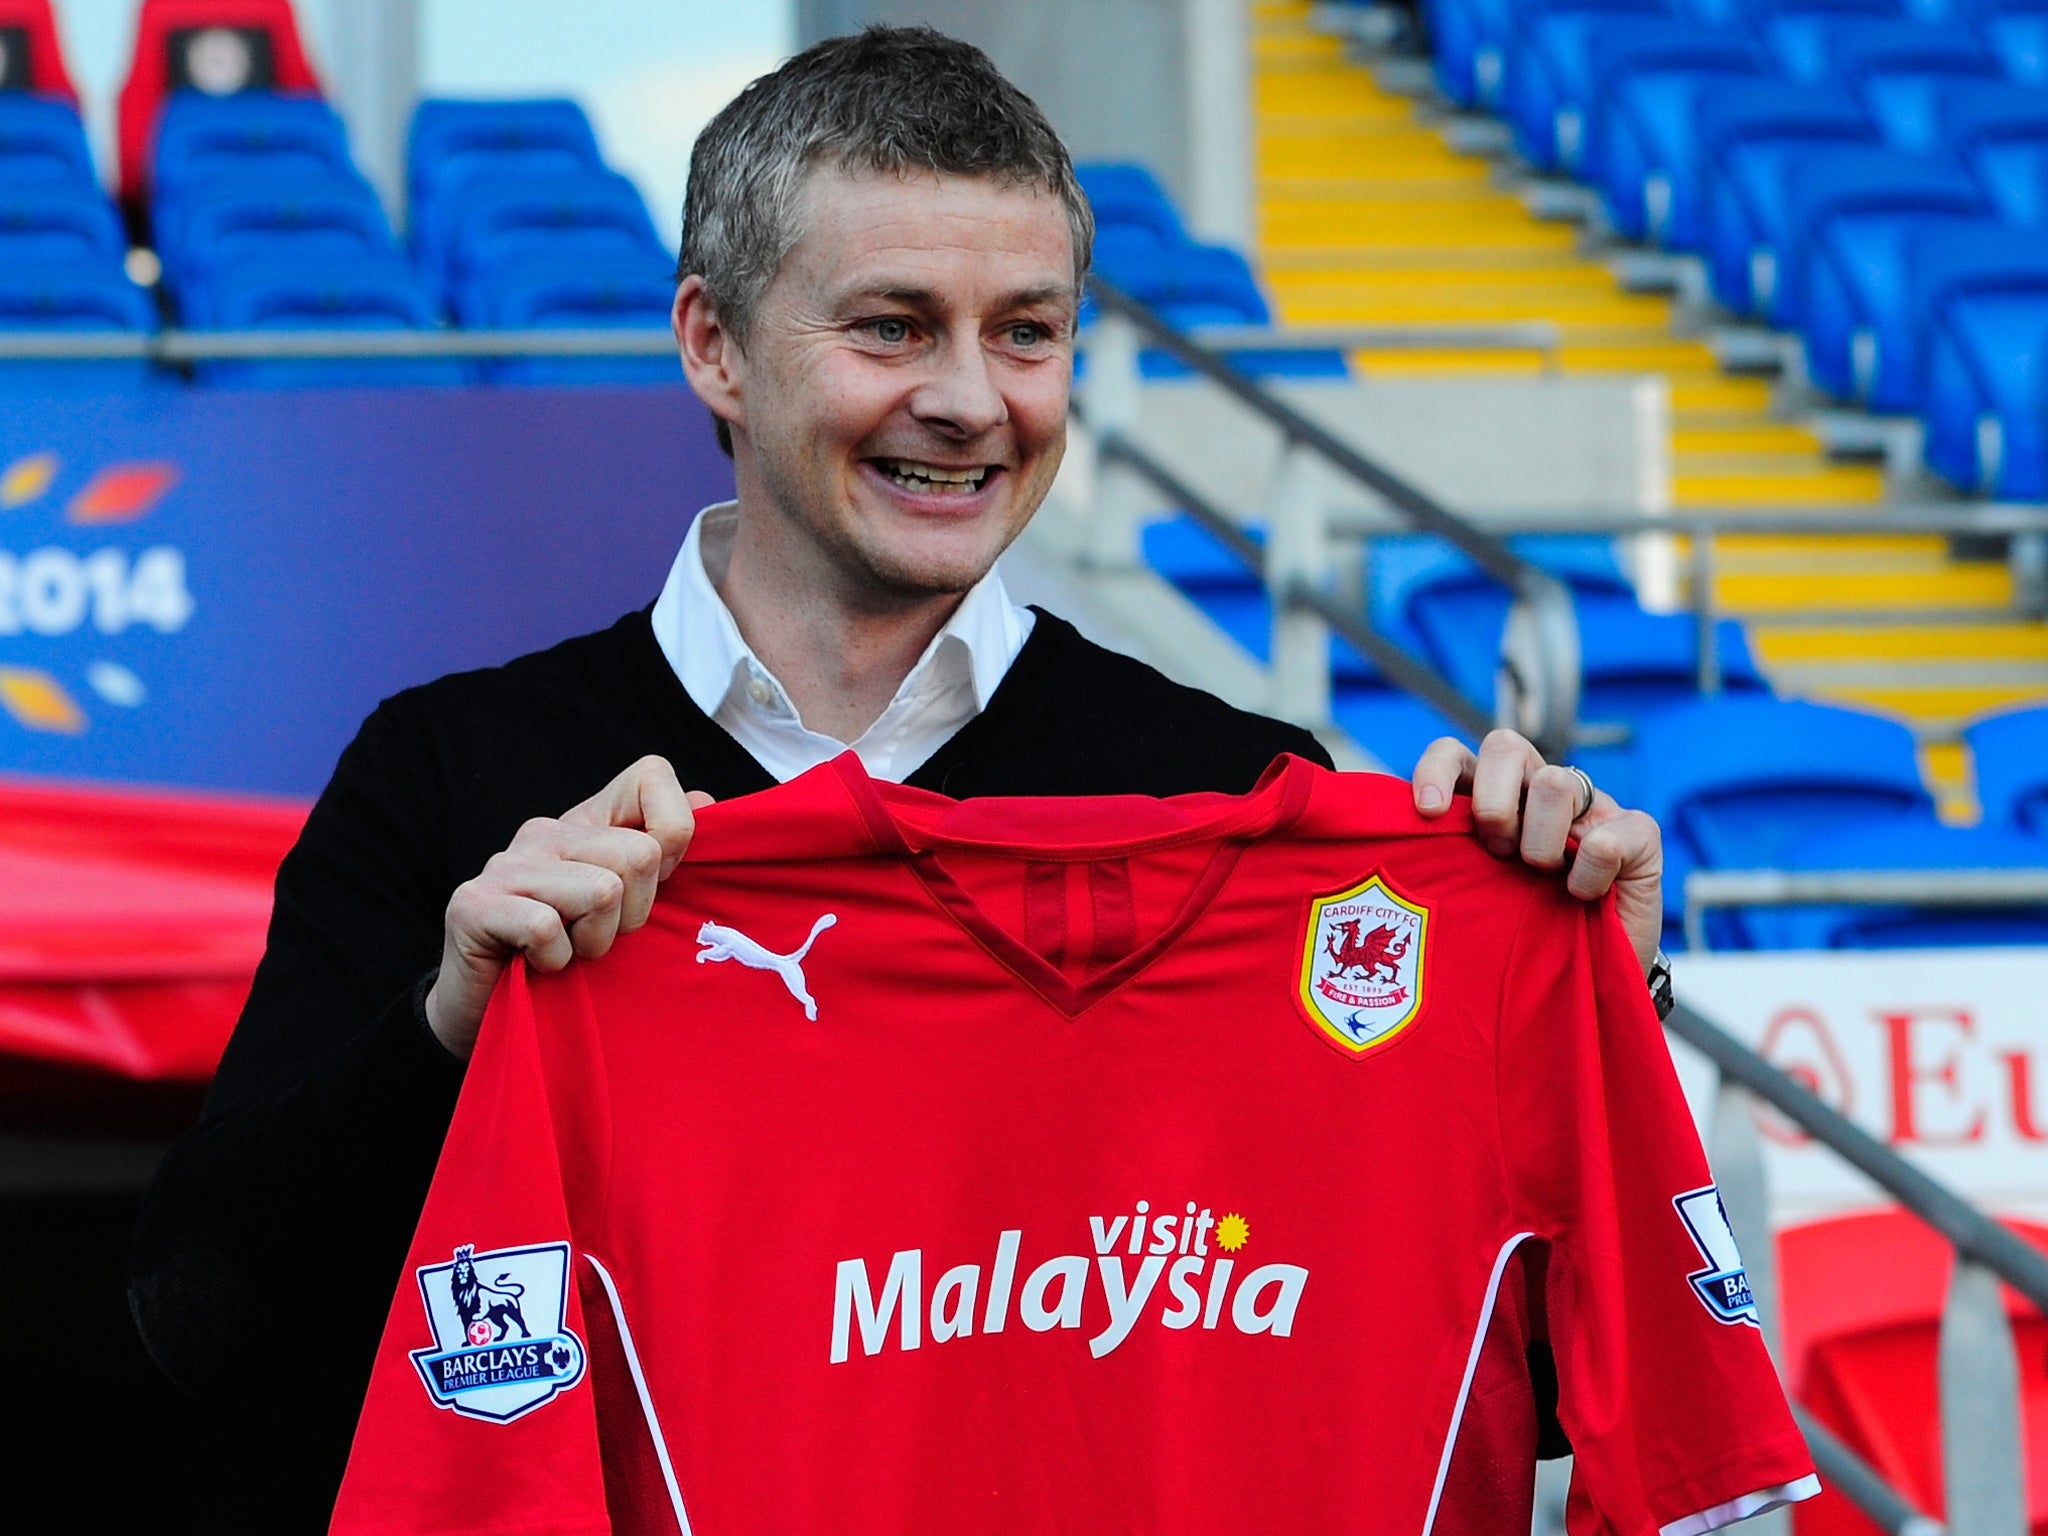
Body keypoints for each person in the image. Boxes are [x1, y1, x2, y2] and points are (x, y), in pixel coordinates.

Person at [128, 24, 1662, 1524]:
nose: (973, 401)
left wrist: (1579, 994)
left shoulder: (1233, 784)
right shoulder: (451, 779)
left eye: (1028, 331)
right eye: (892, 325)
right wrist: (451, 1026)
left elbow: (1471, 1366)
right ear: (712, 345)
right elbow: (211, 1326)